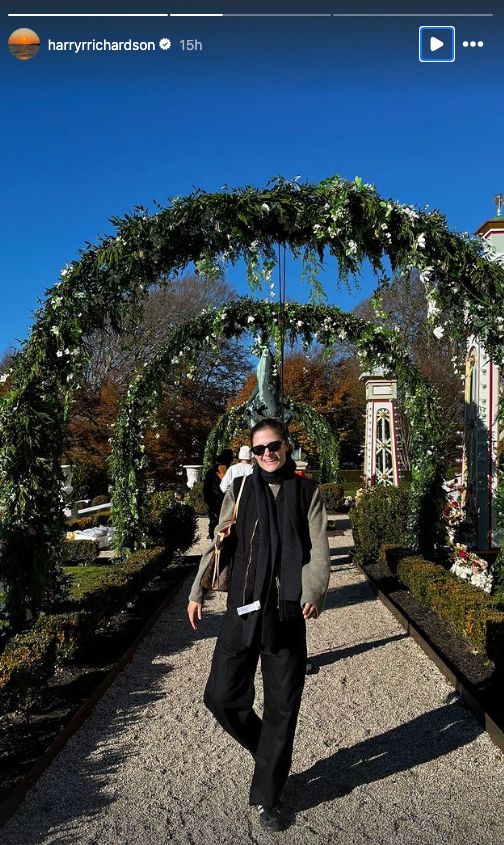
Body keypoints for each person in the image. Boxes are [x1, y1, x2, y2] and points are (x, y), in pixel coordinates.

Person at [188, 418, 330, 832]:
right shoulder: (241, 489)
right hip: (242, 608)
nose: (268, 453)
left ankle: (270, 795)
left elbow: (319, 548)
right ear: (252, 454)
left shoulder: (306, 491)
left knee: (282, 707)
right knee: (220, 696)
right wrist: (198, 590)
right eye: (260, 448)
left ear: (287, 448)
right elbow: (221, 540)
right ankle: (268, 750)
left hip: (285, 612)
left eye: (275, 446)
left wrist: (313, 591)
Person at [202, 449, 233, 539]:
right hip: (221, 503)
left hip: (216, 503)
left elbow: (206, 490)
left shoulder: (211, 471)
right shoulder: (230, 470)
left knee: (215, 524)